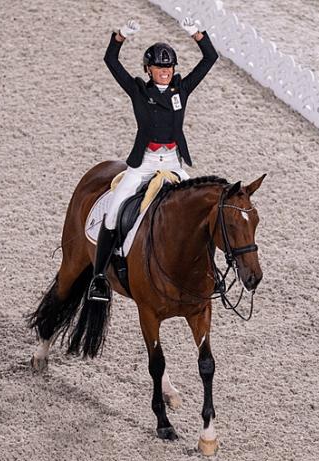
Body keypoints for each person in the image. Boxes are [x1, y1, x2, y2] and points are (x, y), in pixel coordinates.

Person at [87, 17, 219, 302]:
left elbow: (210, 58)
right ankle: (99, 278)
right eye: (160, 67)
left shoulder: (181, 89)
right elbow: (111, 60)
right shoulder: (138, 90)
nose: (165, 72)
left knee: (200, 210)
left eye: (169, 67)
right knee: (115, 210)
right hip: (144, 161)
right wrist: (120, 35)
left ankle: (212, 274)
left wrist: (196, 34)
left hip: (172, 161)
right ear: (148, 69)